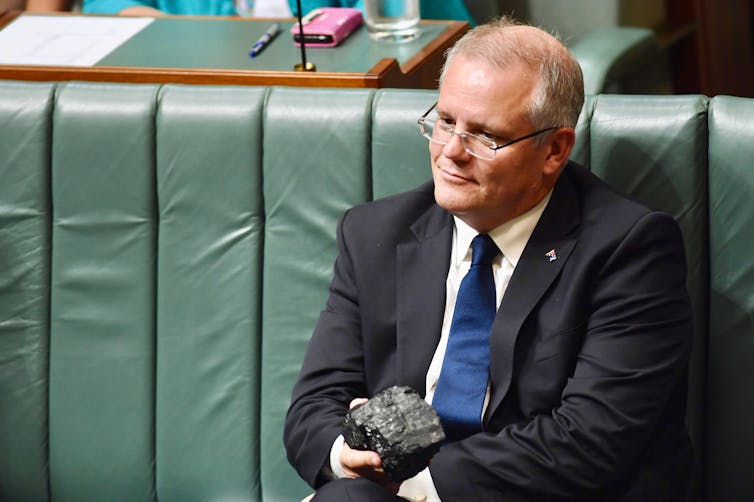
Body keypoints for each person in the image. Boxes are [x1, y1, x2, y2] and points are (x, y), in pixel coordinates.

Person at [284, 16, 695, 501]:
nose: (451, 152)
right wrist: (344, 455)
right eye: (445, 122)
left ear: (555, 149)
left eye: (485, 136)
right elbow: (314, 405)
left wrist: (413, 487)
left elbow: (591, 440)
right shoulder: (374, 234)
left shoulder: (628, 249)